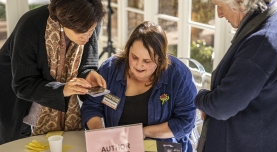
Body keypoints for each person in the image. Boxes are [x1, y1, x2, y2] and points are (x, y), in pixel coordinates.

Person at [194, 0, 277, 151]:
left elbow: (223, 107)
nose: (219, 14)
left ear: (239, 0)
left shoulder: (262, 43)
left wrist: (201, 98)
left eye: (220, 5)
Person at [0, 0, 107, 144]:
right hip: (20, 100)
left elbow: (86, 64)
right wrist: (62, 89)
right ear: (62, 21)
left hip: (57, 100)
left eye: (91, 30)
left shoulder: (90, 19)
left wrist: (89, 74)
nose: (87, 37)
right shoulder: (29, 26)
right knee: (23, 145)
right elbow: (22, 84)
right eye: (80, 32)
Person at [81, 21, 197, 152]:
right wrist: (102, 135)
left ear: (160, 59)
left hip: (163, 146)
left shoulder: (179, 76)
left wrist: (143, 132)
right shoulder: (109, 69)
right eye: (134, 57)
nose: (138, 65)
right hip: (116, 146)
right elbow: (91, 107)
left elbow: (185, 122)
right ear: (128, 49)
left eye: (147, 61)